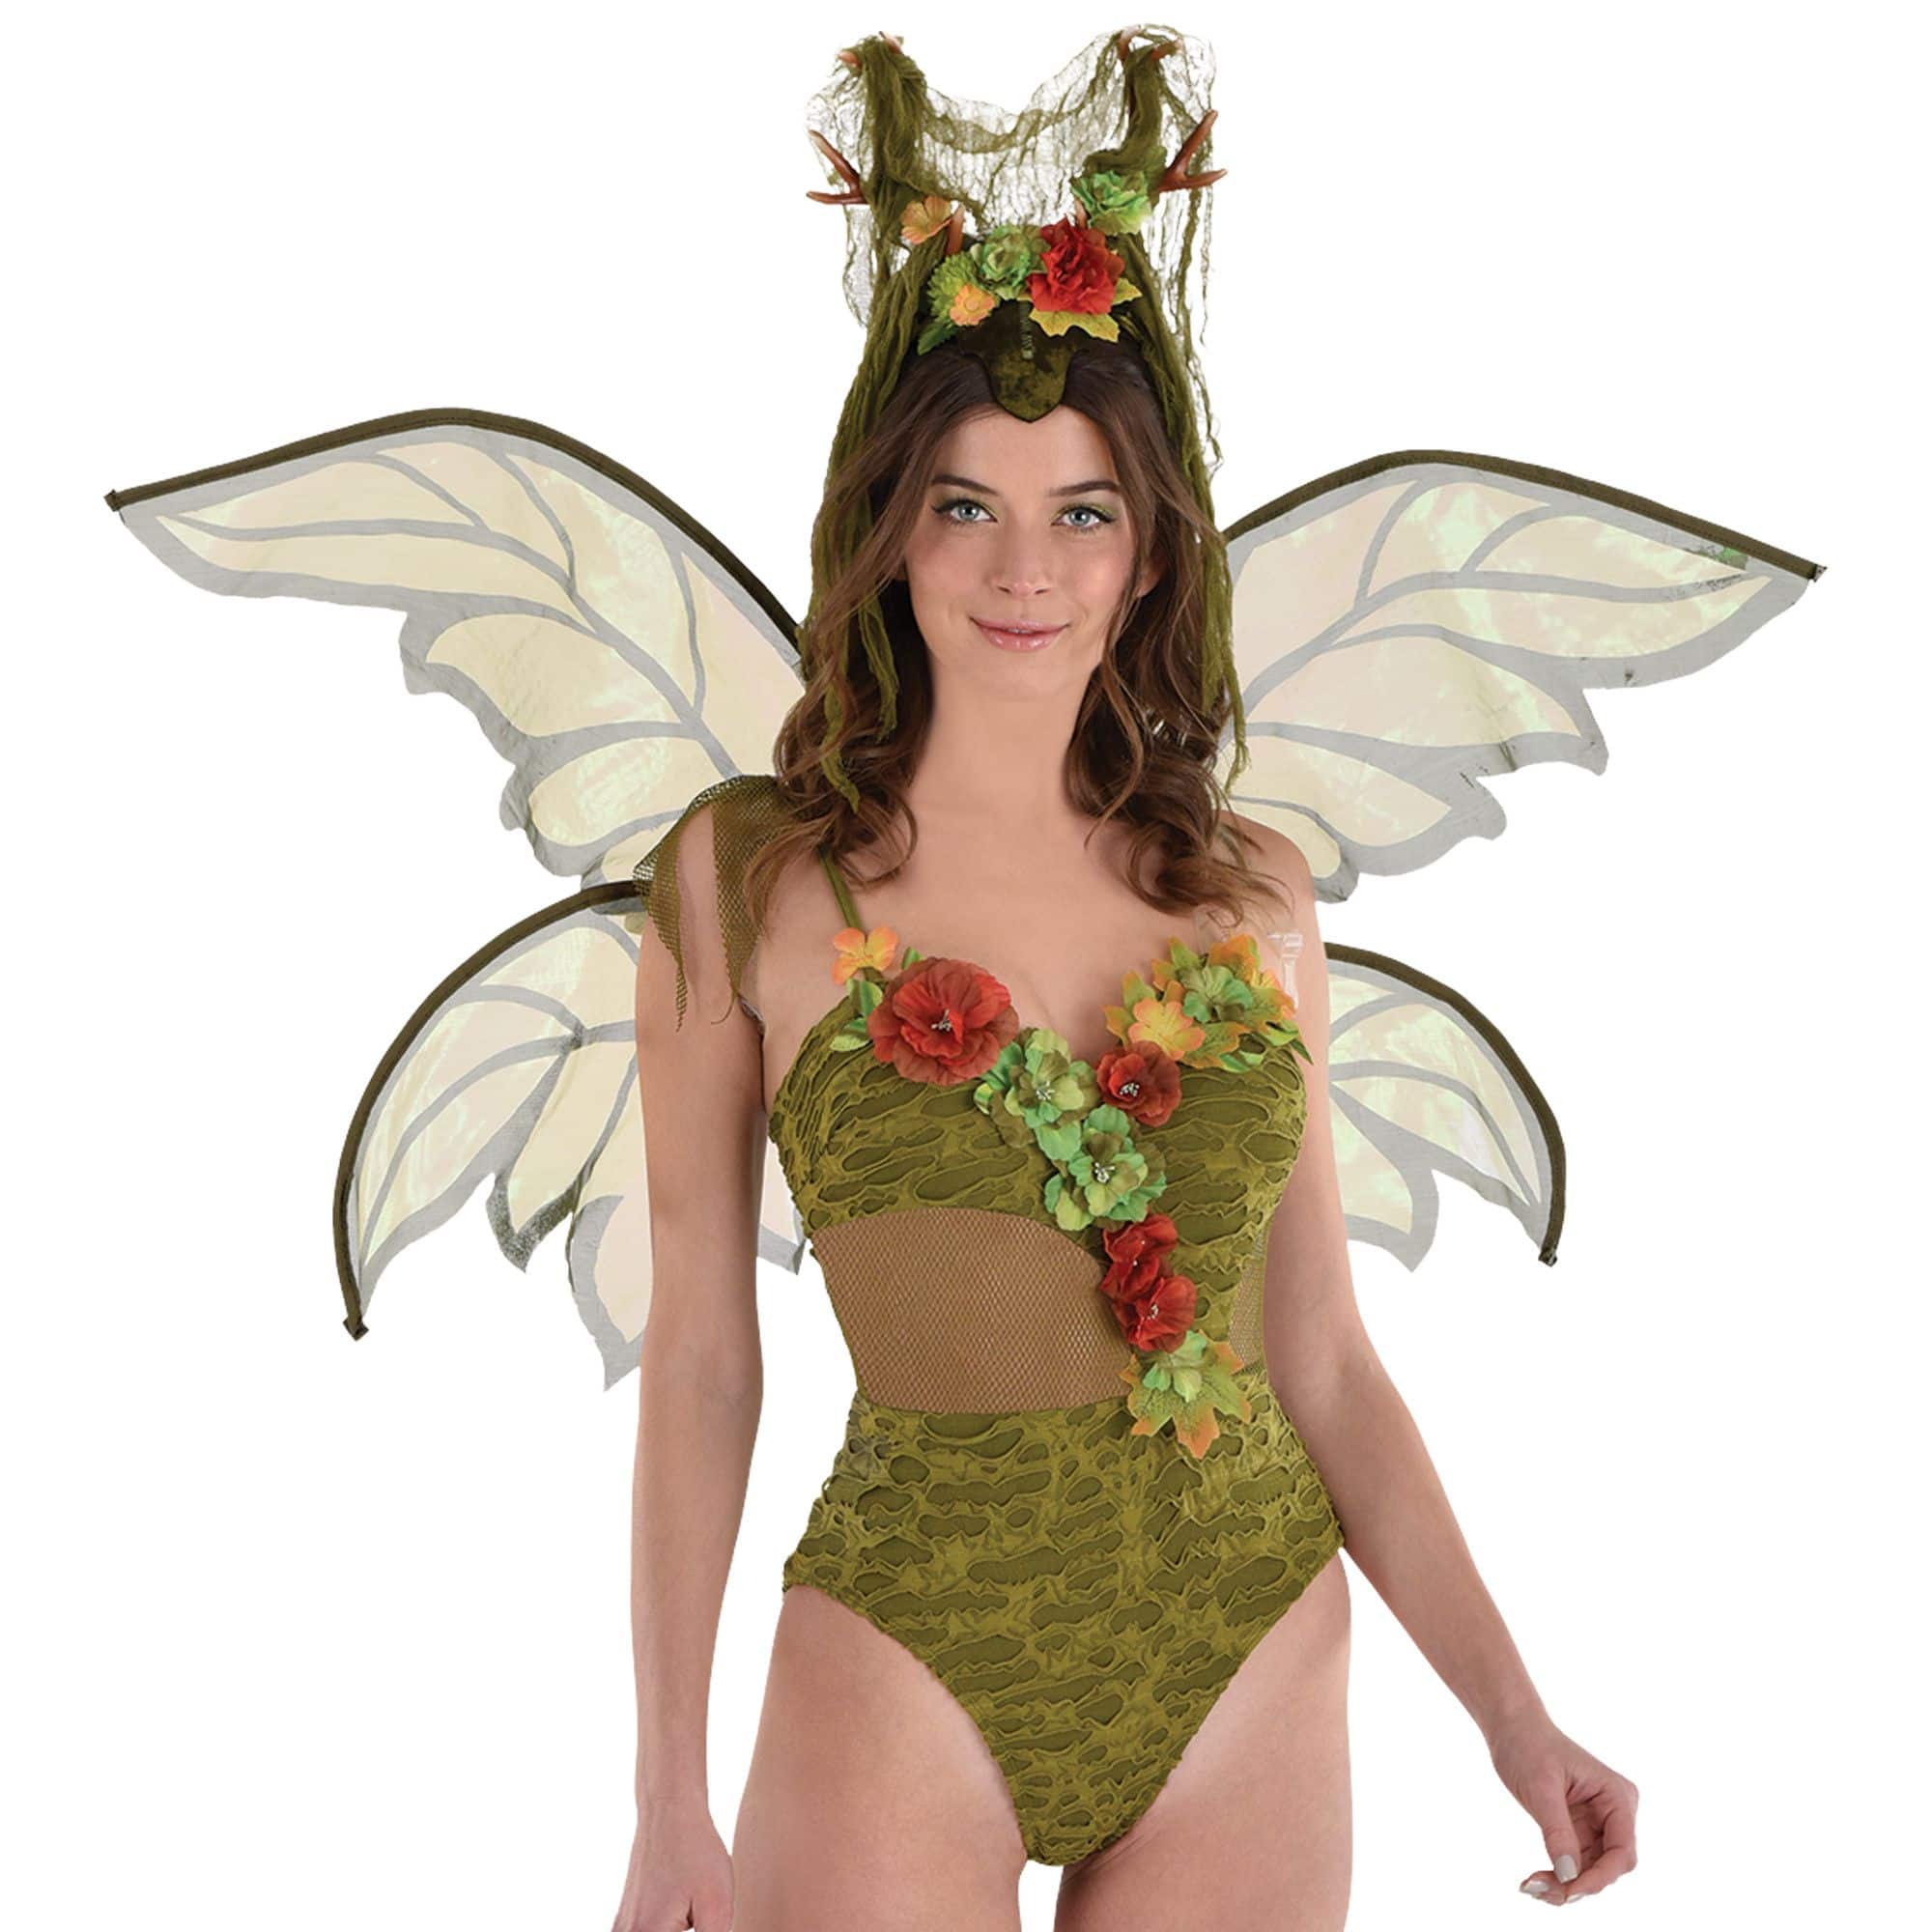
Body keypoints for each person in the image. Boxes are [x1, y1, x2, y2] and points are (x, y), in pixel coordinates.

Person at [101, 24, 1823, 1931]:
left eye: (1082, 512)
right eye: (966, 506)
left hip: (1252, 1638)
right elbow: (701, 1357)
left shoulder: (1251, 894)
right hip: (911, 1639)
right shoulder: (746, 878)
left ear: (1148, 555)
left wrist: (1514, 1715)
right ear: (891, 533)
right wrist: (667, 1797)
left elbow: (1325, 1356)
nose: (1025, 568)